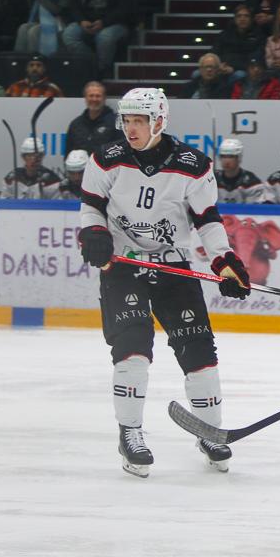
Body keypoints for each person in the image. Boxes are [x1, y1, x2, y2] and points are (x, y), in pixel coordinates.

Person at [75, 88, 251, 478]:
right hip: (123, 267)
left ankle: (210, 432)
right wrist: (94, 233)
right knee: (133, 350)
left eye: (139, 121)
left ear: (159, 121)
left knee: (199, 351)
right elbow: (91, 206)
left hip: (174, 268)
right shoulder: (106, 158)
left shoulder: (193, 165)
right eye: (126, 120)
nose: (130, 128)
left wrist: (224, 260)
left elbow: (207, 219)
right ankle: (130, 433)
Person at [61, 0, 135, 79]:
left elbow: (124, 10)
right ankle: (89, 63)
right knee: (69, 34)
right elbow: (73, 6)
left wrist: (104, 22)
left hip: (115, 23)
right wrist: (81, 20)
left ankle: (102, 69)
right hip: (86, 22)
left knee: (104, 37)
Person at [65, 81, 121, 156]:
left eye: (98, 96)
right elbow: (68, 154)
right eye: (91, 96)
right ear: (85, 98)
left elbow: (122, 151)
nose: (94, 99)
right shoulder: (75, 124)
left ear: (104, 98)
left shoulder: (116, 123)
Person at [212, 4, 266, 79]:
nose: (242, 19)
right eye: (239, 16)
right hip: (222, 67)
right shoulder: (225, 34)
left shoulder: (259, 36)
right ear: (235, 19)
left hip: (244, 70)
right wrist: (220, 65)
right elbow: (214, 53)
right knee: (197, 73)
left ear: (251, 19)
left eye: (246, 16)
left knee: (239, 75)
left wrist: (233, 68)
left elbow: (254, 59)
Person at [215, 138, 274, 204]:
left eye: (231, 156)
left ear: (239, 158)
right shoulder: (212, 179)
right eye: (223, 156)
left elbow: (254, 209)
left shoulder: (252, 182)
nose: (226, 161)